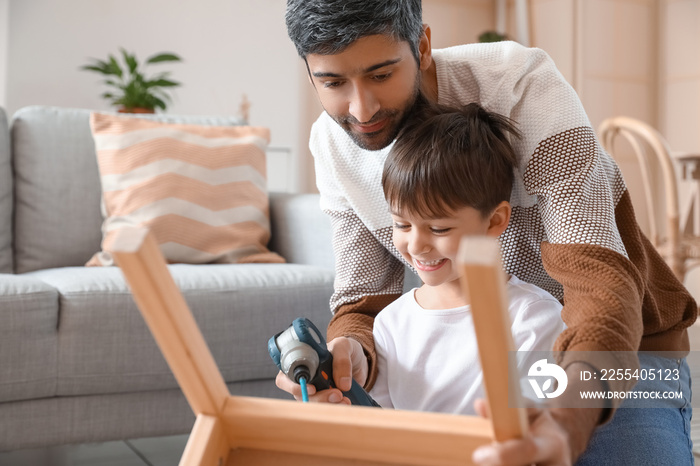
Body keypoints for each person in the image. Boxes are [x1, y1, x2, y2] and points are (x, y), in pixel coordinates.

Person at [278, 0, 698, 464]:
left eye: (381, 75)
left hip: (626, 351)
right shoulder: (332, 145)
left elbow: (597, 282)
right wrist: (350, 353)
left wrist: (564, 421)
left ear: (422, 47)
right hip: (486, 363)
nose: (362, 109)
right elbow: (363, 301)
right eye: (333, 82)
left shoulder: (521, 85)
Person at [370, 100, 565, 414]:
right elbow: (381, 427)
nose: (416, 245)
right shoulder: (390, 324)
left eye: (439, 228)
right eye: (402, 224)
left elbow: (538, 432)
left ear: (494, 221)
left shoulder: (534, 318)